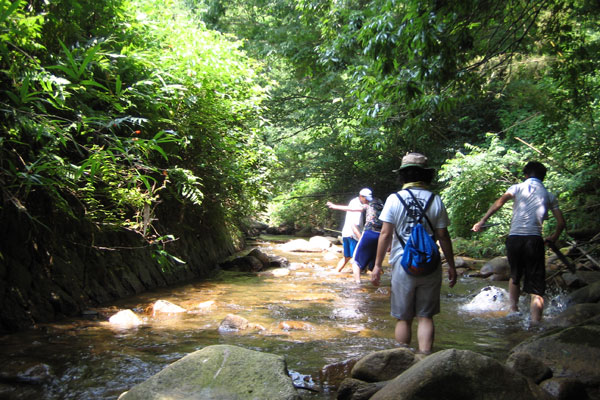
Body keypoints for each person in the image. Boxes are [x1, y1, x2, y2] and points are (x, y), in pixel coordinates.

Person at [371, 153, 457, 354]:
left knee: (404, 318)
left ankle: (403, 361)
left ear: (403, 175)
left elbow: (385, 234)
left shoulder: (394, 199)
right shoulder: (435, 199)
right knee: (425, 316)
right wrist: (451, 266)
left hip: (403, 263)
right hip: (430, 262)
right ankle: (425, 360)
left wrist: (377, 265)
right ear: (426, 175)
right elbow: (443, 235)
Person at [472, 161, 566, 323]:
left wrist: (482, 221)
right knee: (536, 283)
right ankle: (536, 322)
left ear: (526, 175)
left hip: (515, 239)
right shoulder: (549, 195)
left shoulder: (516, 188)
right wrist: (554, 237)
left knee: (515, 275)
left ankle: (513, 310)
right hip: (534, 240)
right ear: (543, 177)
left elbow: (499, 203)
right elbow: (561, 223)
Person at [327, 189, 371, 273]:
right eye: (366, 199)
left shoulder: (354, 201)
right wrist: (361, 239)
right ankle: (358, 280)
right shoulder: (357, 204)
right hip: (352, 235)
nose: (368, 201)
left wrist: (335, 206)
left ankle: (336, 272)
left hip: (346, 233)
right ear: (360, 196)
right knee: (358, 258)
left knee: (347, 257)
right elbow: (354, 225)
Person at [350, 194, 384, 283]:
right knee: (374, 264)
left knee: (355, 262)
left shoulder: (368, 204)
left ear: (364, 198)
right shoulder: (380, 203)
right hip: (381, 234)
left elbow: (353, 209)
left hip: (369, 233)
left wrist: (335, 206)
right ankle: (377, 285)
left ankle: (358, 284)